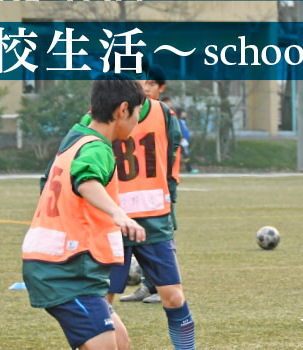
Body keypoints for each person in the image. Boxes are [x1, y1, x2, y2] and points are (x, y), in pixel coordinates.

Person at [22, 73, 146, 350]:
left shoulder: (78, 135)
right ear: (123, 110)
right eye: (137, 114)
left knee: (120, 342)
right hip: (64, 270)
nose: (137, 124)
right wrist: (118, 214)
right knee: (105, 346)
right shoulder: (97, 148)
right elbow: (86, 180)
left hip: (65, 267)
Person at [90, 62, 193, 349]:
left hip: (154, 221)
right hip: (114, 221)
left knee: (173, 296)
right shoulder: (96, 117)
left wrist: (170, 205)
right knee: (103, 299)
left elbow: (171, 157)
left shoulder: (162, 113)